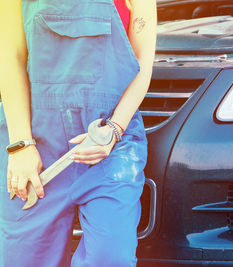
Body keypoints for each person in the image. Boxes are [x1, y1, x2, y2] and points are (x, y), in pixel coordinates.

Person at [0, 0, 157, 266]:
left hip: (110, 145)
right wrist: (20, 145)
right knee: (26, 259)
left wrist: (114, 129)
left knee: (111, 258)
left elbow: (143, 63)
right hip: (35, 145)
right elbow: (9, 58)